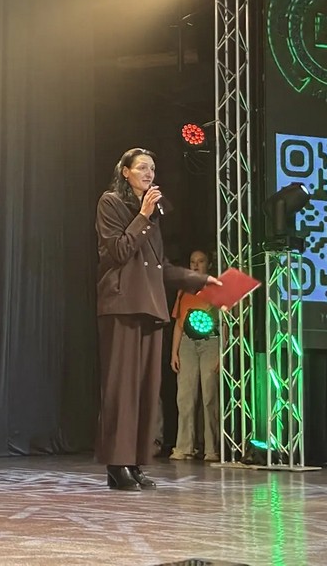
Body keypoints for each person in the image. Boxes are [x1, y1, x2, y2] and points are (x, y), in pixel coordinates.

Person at [94, 148, 222, 491]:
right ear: (125, 172)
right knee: (122, 388)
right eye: (141, 167)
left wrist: (200, 280)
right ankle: (117, 464)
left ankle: (134, 462)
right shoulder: (110, 203)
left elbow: (160, 267)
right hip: (122, 305)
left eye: (152, 168)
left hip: (150, 307)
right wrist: (143, 215)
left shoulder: (153, 216)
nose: (149, 173)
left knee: (145, 391)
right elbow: (118, 251)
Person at [170, 249, 221, 463]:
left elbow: (227, 323)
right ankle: (184, 447)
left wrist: (222, 353)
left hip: (210, 341)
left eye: (200, 261)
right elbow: (178, 323)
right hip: (187, 343)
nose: (196, 265)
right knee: (185, 396)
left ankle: (211, 448)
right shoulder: (184, 290)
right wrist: (174, 352)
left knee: (209, 395)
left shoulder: (216, 288)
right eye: (192, 262)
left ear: (208, 264)